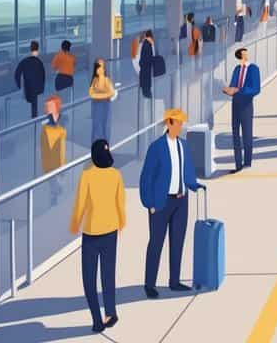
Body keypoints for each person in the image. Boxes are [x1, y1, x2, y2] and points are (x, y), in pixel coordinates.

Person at [139, 109, 205, 298]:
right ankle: (149, 284)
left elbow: (188, 170)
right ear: (168, 123)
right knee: (156, 243)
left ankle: (174, 281)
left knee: (177, 242)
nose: (181, 126)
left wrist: (194, 185)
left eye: (182, 123)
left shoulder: (183, 146)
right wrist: (149, 203)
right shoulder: (156, 147)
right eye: (177, 123)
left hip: (181, 201)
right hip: (161, 203)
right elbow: (146, 177)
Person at [70, 139, 125, 333]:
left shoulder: (87, 176)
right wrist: (121, 223)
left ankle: (97, 320)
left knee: (89, 279)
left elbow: (80, 205)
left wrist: (74, 225)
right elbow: (120, 203)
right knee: (108, 276)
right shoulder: (116, 175)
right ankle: (111, 313)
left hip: (92, 233)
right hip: (111, 231)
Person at [223, 48, 261, 172]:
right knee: (235, 134)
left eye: (246, 53)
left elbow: (256, 89)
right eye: (243, 54)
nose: (245, 55)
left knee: (247, 134)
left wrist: (239, 90)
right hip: (235, 103)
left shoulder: (253, 69)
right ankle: (238, 165)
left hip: (246, 104)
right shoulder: (237, 69)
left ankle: (247, 162)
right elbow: (233, 84)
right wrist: (228, 90)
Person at [41, 95, 67, 206]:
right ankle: (54, 196)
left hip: (54, 165)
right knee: (55, 184)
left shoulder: (54, 130)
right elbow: (46, 150)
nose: (46, 111)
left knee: (55, 184)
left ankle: (54, 196)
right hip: (52, 165)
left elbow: (59, 151)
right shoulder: (49, 130)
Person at [14, 41, 46, 118]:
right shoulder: (39, 62)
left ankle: (33, 117)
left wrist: (19, 85)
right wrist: (41, 88)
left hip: (28, 86)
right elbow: (42, 75)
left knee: (31, 100)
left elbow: (17, 73)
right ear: (38, 50)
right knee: (34, 102)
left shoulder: (25, 61)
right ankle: (34, 117)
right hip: (36, 87)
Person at [89, 59, 115, 144]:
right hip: (96, 107)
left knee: (104, 127)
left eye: (102, 66)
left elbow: (111, 92)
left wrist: (99, 96)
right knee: (96, 127)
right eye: (99, 66)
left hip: (104, 106)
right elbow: (91, 94)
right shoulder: (95, 81)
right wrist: (104, 95)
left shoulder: (106, 80)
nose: (101, 69)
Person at [138, 30, 156, 99]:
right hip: (146, 69)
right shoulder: (148, 44)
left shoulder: (146, 43)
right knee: (147, 91)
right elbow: (149, 57)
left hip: (145, 69)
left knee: (146, 89)